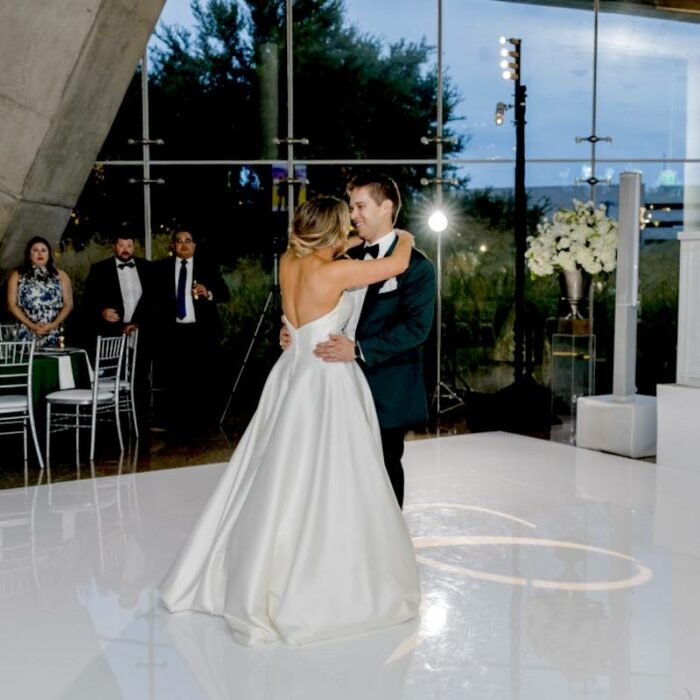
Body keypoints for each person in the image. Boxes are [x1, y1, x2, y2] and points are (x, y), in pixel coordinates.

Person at [160, 196, 421, 646]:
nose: (351, 231)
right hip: (326, 381)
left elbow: (302, 312)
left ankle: (257, 564)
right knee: (331, 475)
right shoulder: (334, 272)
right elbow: (397, 264)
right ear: (332, 232)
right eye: (345, 224)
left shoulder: (289, 262)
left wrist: (353, 238)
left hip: (292, 371)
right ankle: (318, 571)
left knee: (275, 472)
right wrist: (406, 234)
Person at [284, 173, 436, 508]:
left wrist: (359, 349)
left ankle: (386, 544)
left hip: (386, 386)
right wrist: (297, 331)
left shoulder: (419, 268)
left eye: (359, 206)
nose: (352, 215)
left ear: (386, 207)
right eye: (351, 207)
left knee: (383, 466)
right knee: (334, 469)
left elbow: (417, 328)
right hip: (334, 385)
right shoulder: (337, 259)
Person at [153, 228, 230, 438]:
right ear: (173, 246)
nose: (184, 244)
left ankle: (200, 424)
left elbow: (224, 293)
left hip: (200, 331)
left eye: (188, 241)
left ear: (194, 245)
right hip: (173, 331)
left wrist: (208, 292)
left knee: (200, 377)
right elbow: (152, 300)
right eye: (179, 241)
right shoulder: (161, 268)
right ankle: (175, 424)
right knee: (174, 378)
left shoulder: (207, 266)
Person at [81, 232, 153, 434]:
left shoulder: (147, 268)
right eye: (121, 245)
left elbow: (155, 301)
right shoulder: (99, 269)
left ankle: (140, 426)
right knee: (115, 378)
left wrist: (138, 323)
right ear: (114, 247)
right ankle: (114, 427)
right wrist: (101, 312)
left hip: (141, 332)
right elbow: (87, 304)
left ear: (134, 247)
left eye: (129, 245)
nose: (125, 249)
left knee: (140, 378)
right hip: (111, 335)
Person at [6, 236, 74, 348]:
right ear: (29, 254)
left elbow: (69, 304)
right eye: (35, 250)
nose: (40, 254)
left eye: (43, 250)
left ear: (49, 254)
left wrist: (53, 325)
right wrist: (31, 325)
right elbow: (11, 305)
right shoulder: (17, 275)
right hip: (25, 329)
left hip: (53, 329)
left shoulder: (61, 275)